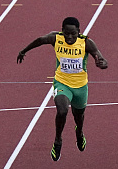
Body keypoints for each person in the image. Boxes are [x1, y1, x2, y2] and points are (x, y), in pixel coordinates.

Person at [17, 17, 107, 161]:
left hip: (80, 86)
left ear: (79, 32)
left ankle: (79, 132)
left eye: (73, 34)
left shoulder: (86, 43)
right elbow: (40, 40)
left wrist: (101, 63)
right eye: (66, 33)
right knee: (62, 110)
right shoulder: (56, 38)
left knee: (79, 117)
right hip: (62, 83)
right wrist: (23, 51)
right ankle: (58, 140)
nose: (69, 37)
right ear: (62, 31)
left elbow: (102, 59)